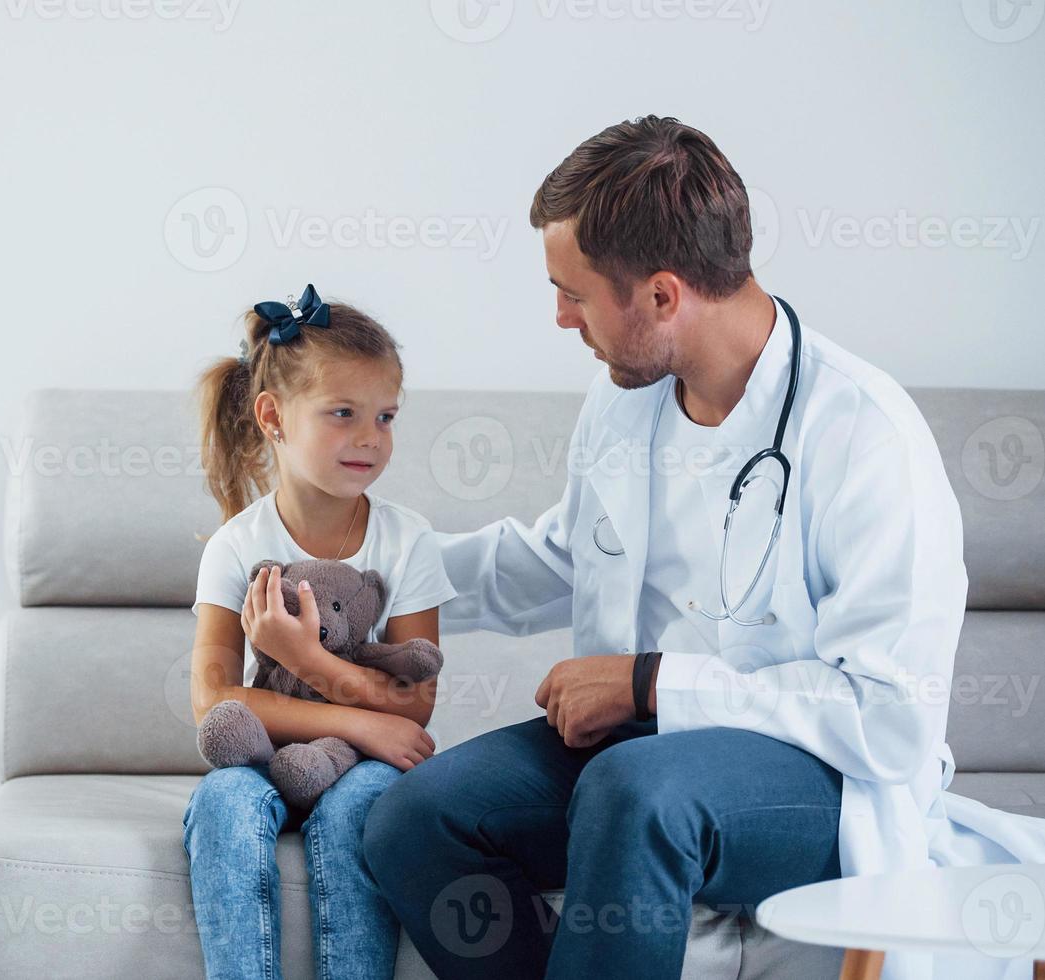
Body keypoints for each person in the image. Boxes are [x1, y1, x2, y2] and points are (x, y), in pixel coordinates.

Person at [362, 115, 1045, 980]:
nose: (560, 316)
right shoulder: (625, 399)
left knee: (635, 792)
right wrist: (376, 570)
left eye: (573, 292)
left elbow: (890, 719)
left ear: (660, 294)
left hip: (813, 783)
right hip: (638, 753)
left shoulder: (863, 435)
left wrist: (651, 681)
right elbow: (564, 555)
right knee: (415, 818)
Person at [182, 284, 458, 979]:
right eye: (342, 413)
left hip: (359, 771)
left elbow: (413, 705)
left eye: (385, 416)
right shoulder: (235, 547)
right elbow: (211, 702)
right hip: (261, 753)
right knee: (223, 801)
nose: (369, 437)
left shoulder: (407, 541)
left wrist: (302, 656)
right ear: (273, 416)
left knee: (359, 810)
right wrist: (361, 722)